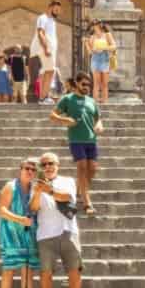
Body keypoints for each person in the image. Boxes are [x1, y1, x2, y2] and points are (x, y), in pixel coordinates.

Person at [31, 150, 84, 288]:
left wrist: (49, 190)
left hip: (68, 231)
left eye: (51, 163)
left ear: (57, 165)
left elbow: (68, 198)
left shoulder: (67, 181)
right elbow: (33, 208)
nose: (47, 167)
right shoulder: (35, 185)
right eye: (44, 164)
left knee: (74, 270)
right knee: (45, 272)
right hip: (46, 233)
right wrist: (39, 191)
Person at [0, 157, 41, 288]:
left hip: (28, 233)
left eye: (33, 169)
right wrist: (20, 219)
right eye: (27, 168)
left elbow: (35, 209)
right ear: (20, 169)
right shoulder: (10, 186)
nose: (30, 171)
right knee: (9, 269)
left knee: (27, 270)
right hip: (10, 233)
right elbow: (2, 210)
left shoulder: (35, 189)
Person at [51, 72, 101, 216]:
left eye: (89, 85)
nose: (87, 87)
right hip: (76, 140)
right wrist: (65, 121)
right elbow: (52, 115)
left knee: (92, 169)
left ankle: (79, 191)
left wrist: (99, 125)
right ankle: (87, 203)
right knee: (82, 166)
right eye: (84, 84)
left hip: (91, 140)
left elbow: (98, 118)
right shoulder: (67, 99)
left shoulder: (91, 101)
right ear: (77, 83)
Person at [31, 0, 61, 97]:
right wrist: (46, 48)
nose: (57, 12)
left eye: (58, 10)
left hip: (50, 49)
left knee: (47, 71)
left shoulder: (52, 20)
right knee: (50, 71)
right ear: (50, 7)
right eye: (56, 9)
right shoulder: (43, 18)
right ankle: (43, 97)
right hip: (45, 49)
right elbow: (40, 33)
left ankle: (43, 97)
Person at [86, 21, 117, 102]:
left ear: (100, 25)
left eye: (96, 25)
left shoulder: (107, 35)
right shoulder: (92, 37)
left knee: (105, 83)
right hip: (95, 59)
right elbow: (90, 52)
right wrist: (89, 46)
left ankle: (104, 102)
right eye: (94, 25)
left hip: (105, 59)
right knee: (96, 83)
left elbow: (114, 46)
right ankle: (95, 102)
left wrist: (104, 47)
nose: (95, 27)